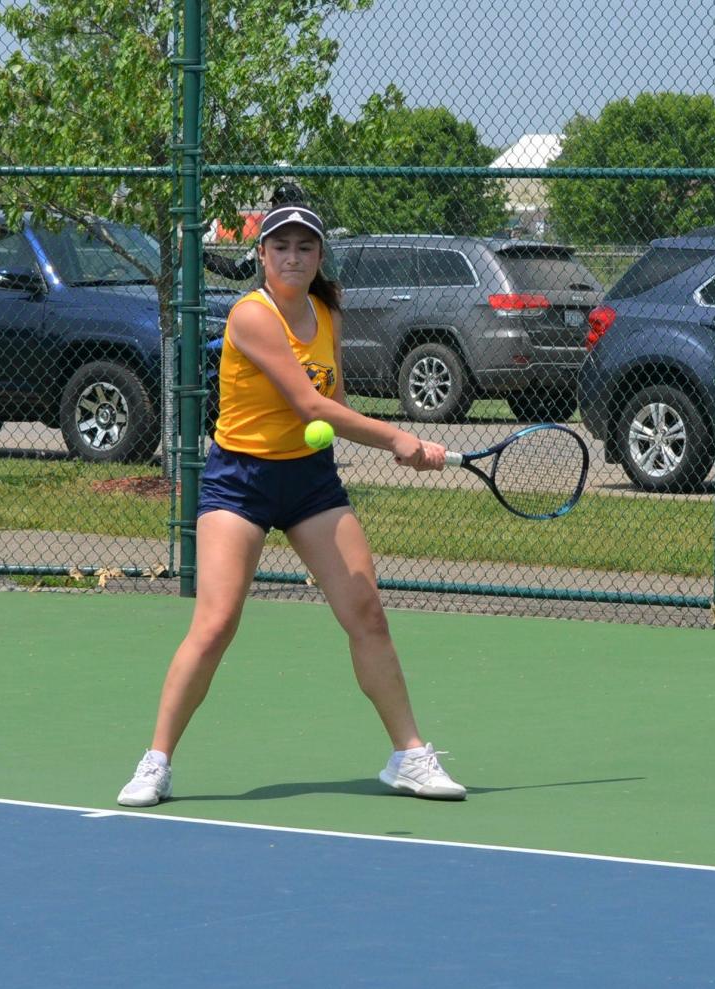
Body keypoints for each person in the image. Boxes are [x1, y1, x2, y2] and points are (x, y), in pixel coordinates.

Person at [118, 203, 466, 807]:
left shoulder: (328, 311)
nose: (293, 257)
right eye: (281, 246)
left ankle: (409, 755)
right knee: (217, 622)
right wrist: (400, 439)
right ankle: (156, 761)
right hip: (239, 480)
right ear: (261, 254)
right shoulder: (251, 316)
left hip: (310, 481)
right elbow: (311, 406)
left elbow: (335, 403)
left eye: (305, 247)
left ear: (319, 256)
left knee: (367, 613)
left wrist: (381, 443)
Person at [202, 181, 311, 281]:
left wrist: (203, 257)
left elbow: (239, 270)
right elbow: (240, 270)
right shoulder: (268, 235)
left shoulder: (313, 231)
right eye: (277, 204)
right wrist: (203, 257)